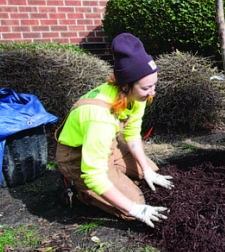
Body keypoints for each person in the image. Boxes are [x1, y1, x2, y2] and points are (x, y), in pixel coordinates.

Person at [55, 33, 174, 228]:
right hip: (76, 157)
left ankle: (120, 176)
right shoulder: (100, 116)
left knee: (153, 173)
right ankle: (77, 190)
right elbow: (93, 174)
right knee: (132, 208)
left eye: (154, 85)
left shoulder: (137, 97)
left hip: (106, 146)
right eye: (146, 88)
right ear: (126, 86)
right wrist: (136, 209)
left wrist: (145, 169)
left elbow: (132, 133)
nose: (153, 92)